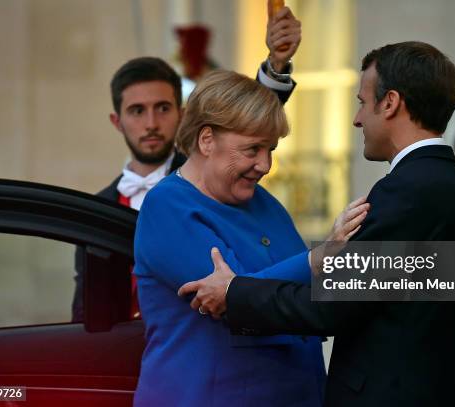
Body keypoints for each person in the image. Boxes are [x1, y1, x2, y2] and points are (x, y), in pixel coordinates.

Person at [179, 41, 455, 407]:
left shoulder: (405, 193)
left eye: (362, 102)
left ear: (390, 103)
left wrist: (235, 292)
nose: (357, 118)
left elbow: (330, 305)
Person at [133, 70, 369, 406]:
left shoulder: (263, 202)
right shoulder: (168, 207)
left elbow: (305, 292)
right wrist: (319, 258)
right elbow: (237, 301)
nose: (265, 164)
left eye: (271, 149)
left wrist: (433, 269)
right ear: (206, 140)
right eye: (253, 149)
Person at [71, 3, 303, 321]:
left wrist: (276, 65)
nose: (151, 123)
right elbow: (88, 311)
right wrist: (329, 259)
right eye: (138, 111)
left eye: (163, 108)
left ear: (182, 114)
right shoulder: (153, 201)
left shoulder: (235, 186)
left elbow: (242, 126)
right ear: (117, 121)